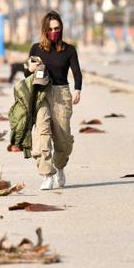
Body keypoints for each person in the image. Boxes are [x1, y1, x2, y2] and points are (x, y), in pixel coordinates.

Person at [26, 11, 82, 190]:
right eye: (50, 29)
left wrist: (77, 90)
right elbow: (26, 73)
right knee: (42, 134)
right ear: (44, 30)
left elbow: (77, 72)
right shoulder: (36, 48)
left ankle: (59, 167)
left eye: (57, 28)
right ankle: (47, 175)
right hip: (41, 93)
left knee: (63, 139)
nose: (54, 31)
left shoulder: (69, 50)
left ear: (61, 29)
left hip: (61, 94)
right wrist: (30, 67)